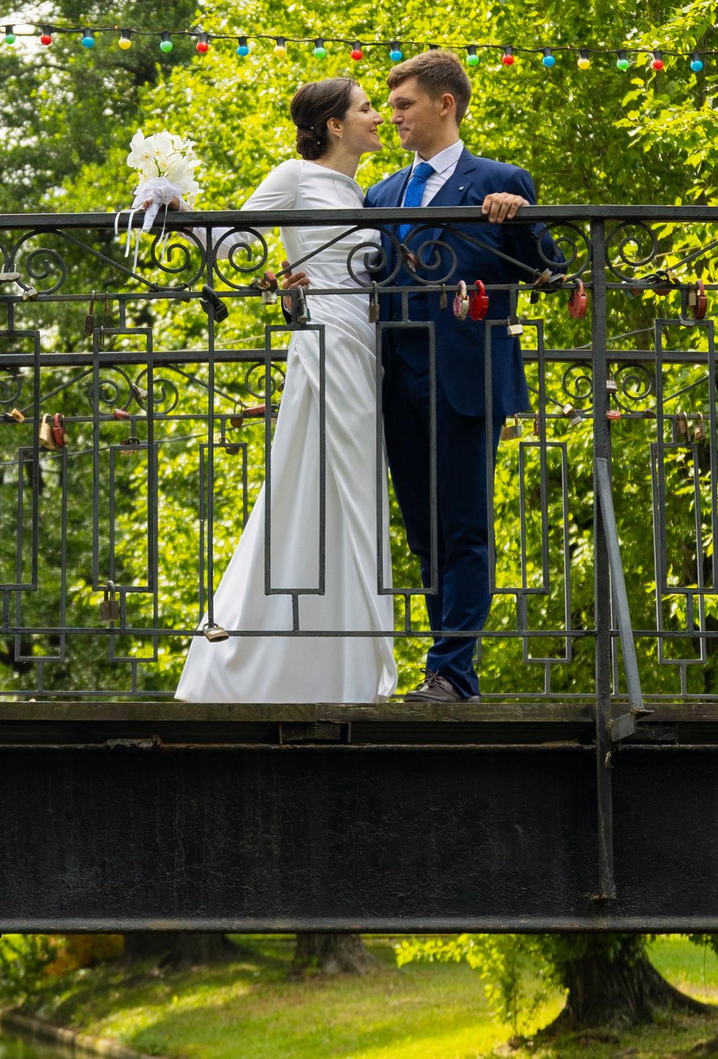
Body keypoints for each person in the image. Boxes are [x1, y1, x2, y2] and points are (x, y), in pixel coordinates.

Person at [175, 78, 398, 704]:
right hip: (327, 344)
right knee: (332, 493)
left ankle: (337, 661)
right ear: (332, 125)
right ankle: (272, 662)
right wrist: (177, 207)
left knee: (350, 494)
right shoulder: (294, 176)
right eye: (366, 108)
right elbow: (236, 239)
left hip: (368, 350)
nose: (378, 117)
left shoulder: (364, 191)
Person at [364, 50, 558, 702]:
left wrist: (520, 219)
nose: (393, 119)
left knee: (465, 526)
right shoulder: (383, 193)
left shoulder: (501, 181)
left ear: (445, 104)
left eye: (403, 105)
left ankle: (451, 670)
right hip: (395, 381)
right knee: (422, 528)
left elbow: (548, 272)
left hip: (467, 378)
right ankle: (444, 665)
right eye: (390, 107)